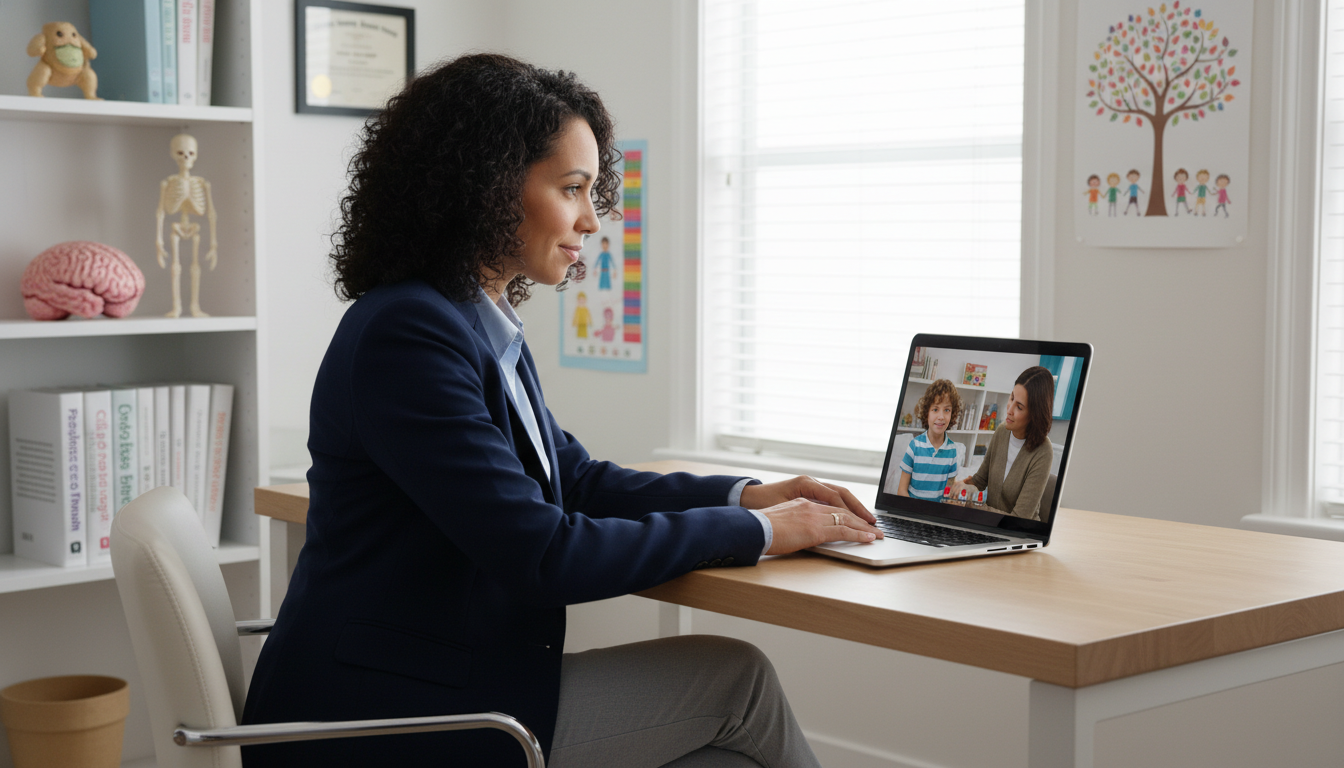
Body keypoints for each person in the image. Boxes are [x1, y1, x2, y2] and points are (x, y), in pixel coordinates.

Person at [240, 53, 882, 768]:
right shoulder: (409, 335)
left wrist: (747, 495)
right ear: (486, 185)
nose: (591, 219)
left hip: (443, 682)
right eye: (572, 188)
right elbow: (543, 554)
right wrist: (758, 531)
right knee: (740, 684)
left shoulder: (472, 322)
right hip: (383, 720)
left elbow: (575, 481)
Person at [959, 366, 1055, 521]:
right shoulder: (1002, 431)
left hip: (1018, 531)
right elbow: (980, 480)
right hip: (988, 523)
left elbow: (1019, 519)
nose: (1009, 409)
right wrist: (959, 487)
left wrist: (974, 507)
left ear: (1035, 414)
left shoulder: (1043, 451)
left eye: (1019, 407)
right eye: (1011, 398)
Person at [895, 379, 965, 500]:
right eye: (935, 409)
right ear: (927, 412)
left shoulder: (952, 450)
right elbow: (901, 491)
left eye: (947, 410)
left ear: (952, 414)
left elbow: (949, 492)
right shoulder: (914, 445)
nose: (941, 416)